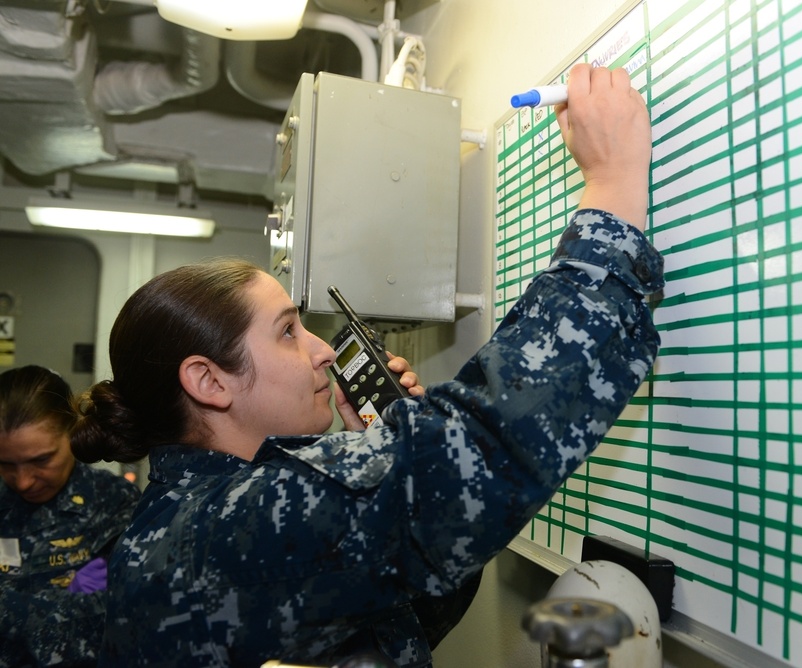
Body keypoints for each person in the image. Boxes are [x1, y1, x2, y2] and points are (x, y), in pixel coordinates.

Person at [71, 62, 663, 667]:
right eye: (286, 332)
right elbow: (478, 445)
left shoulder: (190, 517)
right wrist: (612, 187)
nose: (323, 350)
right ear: (209, 381)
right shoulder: (209, 536)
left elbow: (399, 613)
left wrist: (372, 452)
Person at [0, 365, 141, 666]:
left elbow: (113, 617)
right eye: (6, 464)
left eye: (41, 460)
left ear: (72, 432)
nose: (23, 481)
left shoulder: (111, 503)